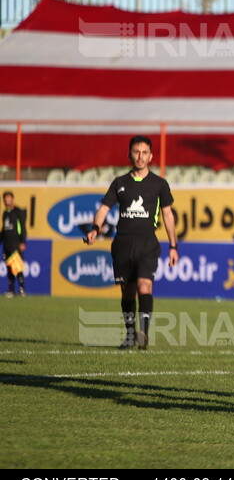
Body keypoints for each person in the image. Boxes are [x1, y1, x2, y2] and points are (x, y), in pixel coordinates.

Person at [84, 136, 178, 350]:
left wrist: (174, 246)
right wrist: (95, 229)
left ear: (151, 156)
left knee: (145, 285)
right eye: (136, 152)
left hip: (147, 243)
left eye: (145, 152)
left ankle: (143, 333)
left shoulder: (159, 184)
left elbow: (168, 215)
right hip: (123, 244)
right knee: (127, 291)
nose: (140, 156)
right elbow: (104, 209)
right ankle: (129, 335)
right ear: (129, 155)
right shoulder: (120, 183)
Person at [2, 191, 28, 297]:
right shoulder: (5, 213)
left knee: (17, 267)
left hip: (15, 243)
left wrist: (22, 242)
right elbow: (4, 229)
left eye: (9, 198)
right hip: (6, 244)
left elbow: (22, 228)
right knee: (9, 267)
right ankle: (11, 290)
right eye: (5, 199)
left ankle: (22, 289)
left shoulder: (18, 212)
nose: (7, 200)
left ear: (12, 199)